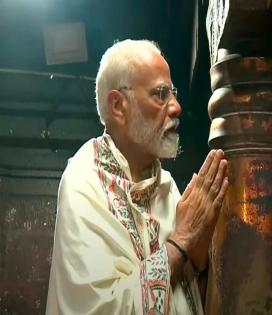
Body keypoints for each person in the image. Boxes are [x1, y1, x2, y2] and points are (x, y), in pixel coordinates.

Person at [46, 39, 228, 315]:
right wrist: (180, 243)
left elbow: (186, 291)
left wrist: (199, 256)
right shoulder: (83, 182)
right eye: (160, 94)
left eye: (173, 92)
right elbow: (99, 308)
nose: (177, 107)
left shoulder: (167, 187)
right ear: (118, 105)